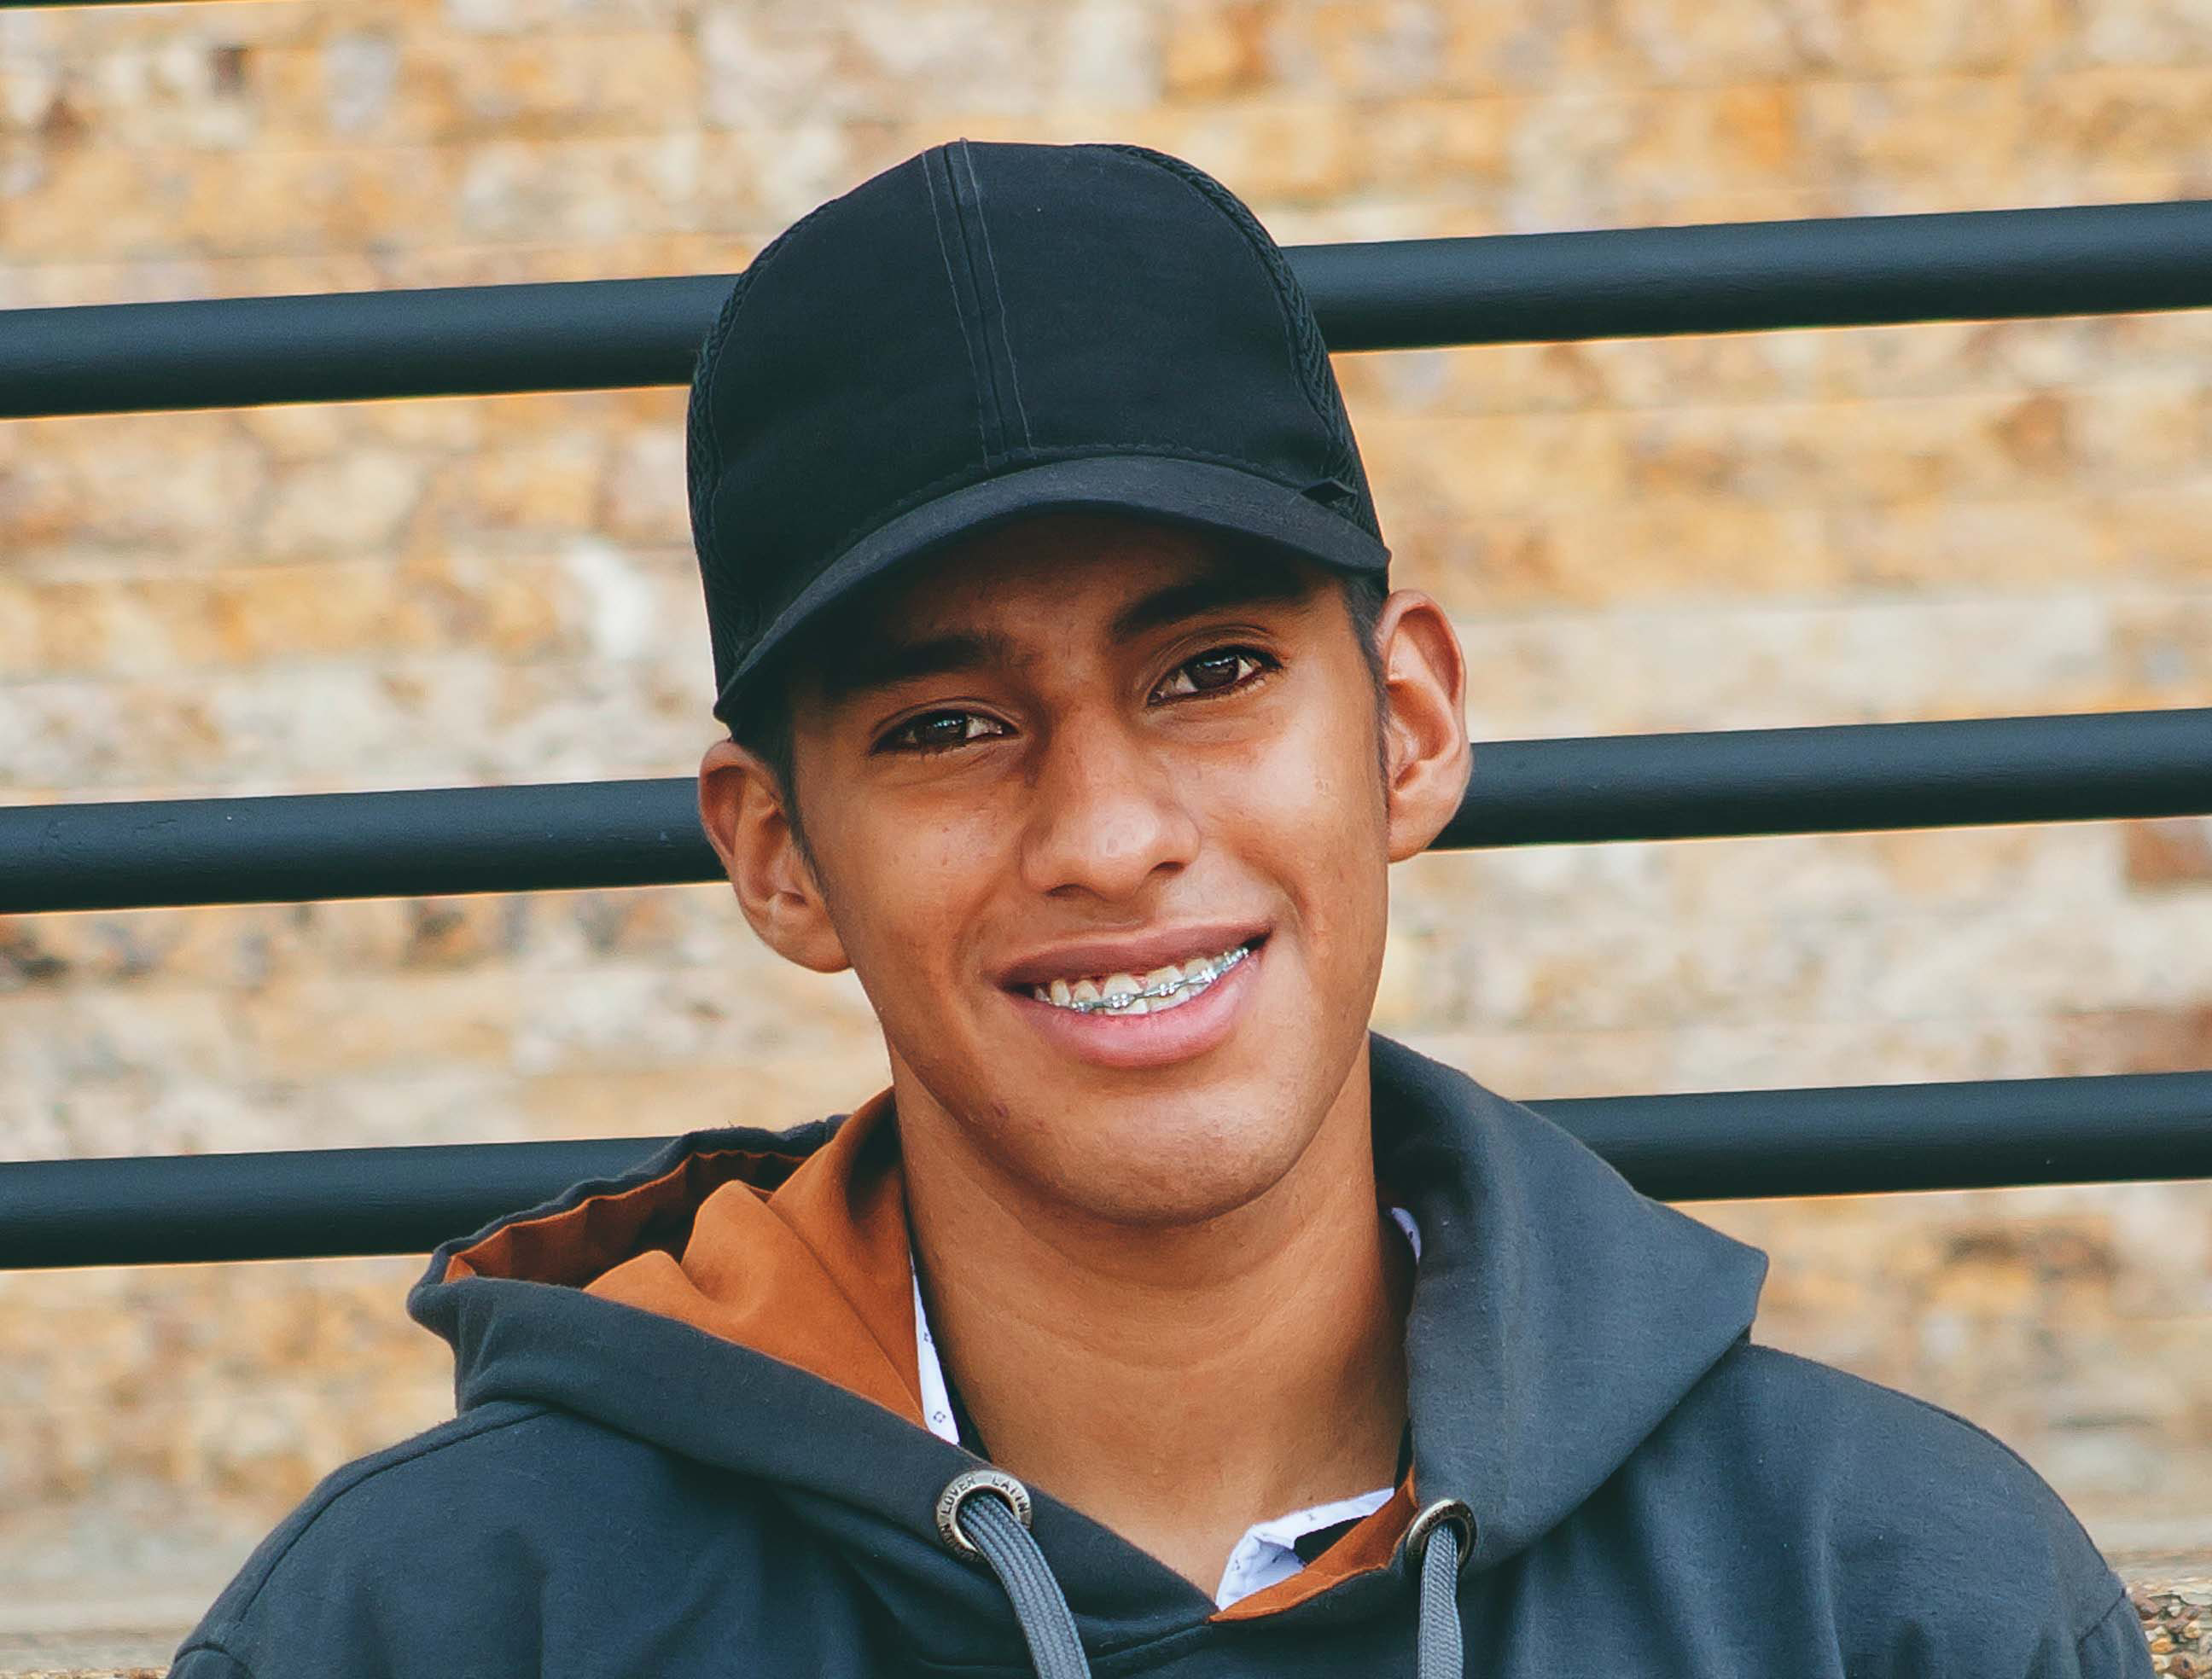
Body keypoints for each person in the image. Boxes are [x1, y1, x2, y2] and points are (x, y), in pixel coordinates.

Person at [171, 140, 2150, 1679]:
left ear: (1407, 729)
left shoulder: (1883, 1594)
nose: (1109, 836)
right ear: (778, 855)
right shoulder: (440, 1622)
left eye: (1210, 672)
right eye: (947, 725)